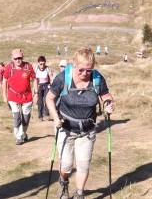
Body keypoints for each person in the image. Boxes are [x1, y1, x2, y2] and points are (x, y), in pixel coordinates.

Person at [46, 47, 114, 199]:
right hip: (65, 128)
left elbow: (105, 95)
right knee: (66, 165)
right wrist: (55, 118)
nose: (84, 74)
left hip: (87, 131)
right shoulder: (63, 78)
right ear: (74, 65)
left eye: (88, 70)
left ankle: (79, 193)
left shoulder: (97, 79)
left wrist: (109, 103)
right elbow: (49, 98)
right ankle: (63, 182)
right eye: (81, 70)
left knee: (83, 165)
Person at [2, 49, 36, 145]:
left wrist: (36, 93)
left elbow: (34, 79)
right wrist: (4, 95)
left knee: (26, 118)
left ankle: (23, 134)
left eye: (19, 58)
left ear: (22, 58)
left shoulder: (28, 66)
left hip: (27, 96)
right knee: (17, 116)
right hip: (13, 96)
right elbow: (4, 81)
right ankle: (18, 136)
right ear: (12, 58)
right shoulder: (9, 67)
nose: (18, 60)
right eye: (15, 58)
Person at [33, 56, 53, 121]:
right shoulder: (36, 69)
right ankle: (40, 116)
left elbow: (50, 76)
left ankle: (47, 114)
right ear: (38, 63)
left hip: (47, 85)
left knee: (47, 100)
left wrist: (51, 84)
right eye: (41, 64)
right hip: (39, 85)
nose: (42, 65)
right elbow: (34, 79)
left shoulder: (47, 68)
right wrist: (35, 88)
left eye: (43, 64)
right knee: (40, 101)